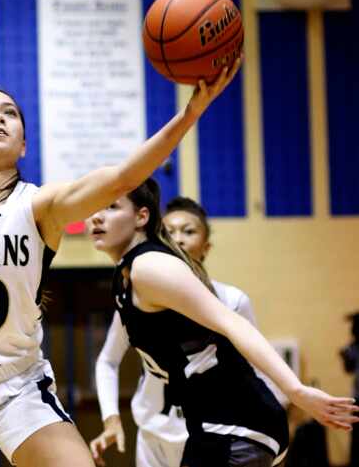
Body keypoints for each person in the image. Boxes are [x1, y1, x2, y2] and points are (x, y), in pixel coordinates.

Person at [0, 61, 242, 467]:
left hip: (15, 383)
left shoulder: (39, 205)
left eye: (9, 113)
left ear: (23, 144)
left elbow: (123, 179)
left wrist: (190, 114)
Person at [86, 179, 358, 467]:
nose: (96, 216)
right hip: (206, 426)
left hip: (237, 425)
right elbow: (108, 361)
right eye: (93, 207)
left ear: (142, 217)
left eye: (112, 206)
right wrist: (112, 418)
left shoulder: (150, 268)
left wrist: (295, 391)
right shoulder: (128, 277)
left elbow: (234, 325)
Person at [90, 196, 287, 467]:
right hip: (154, 430)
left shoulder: (231, 300)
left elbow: (257, 367)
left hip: (217, 428)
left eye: (189, 231)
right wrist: (111, 418)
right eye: (170, 231)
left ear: (206, 247)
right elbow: (108, 360)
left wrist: (289, 401)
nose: (178, 239)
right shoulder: (135, 296)